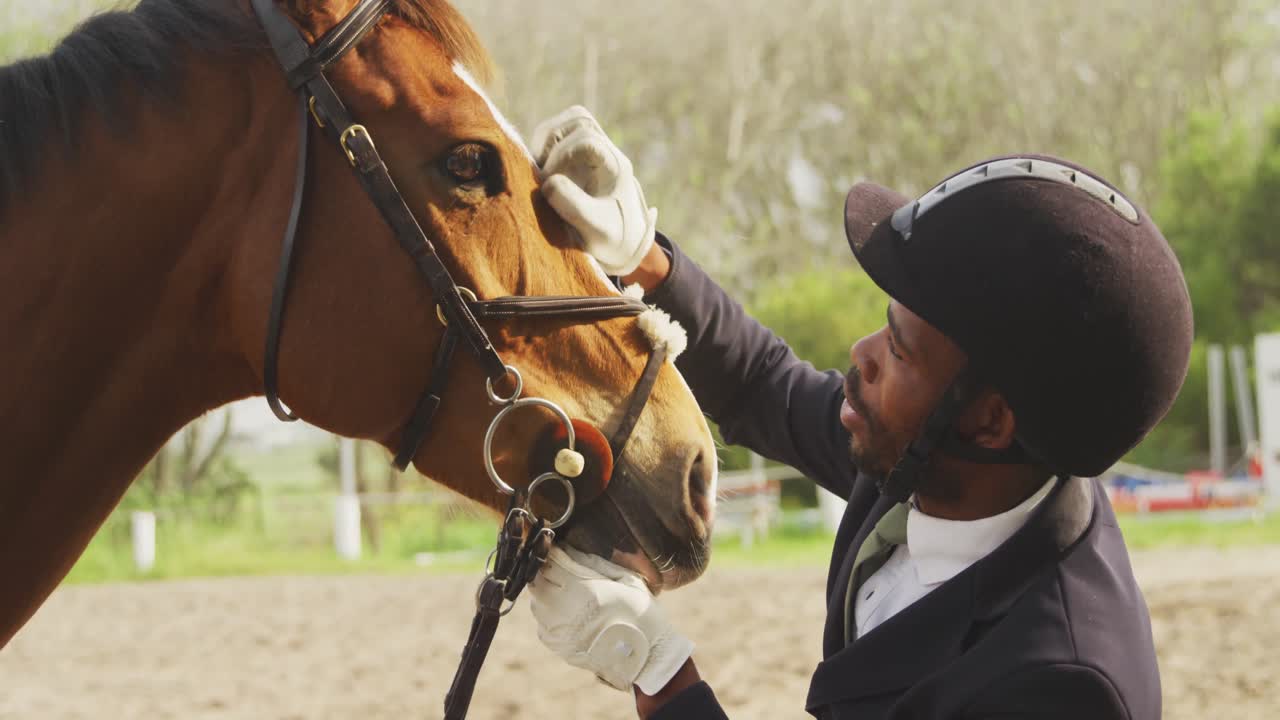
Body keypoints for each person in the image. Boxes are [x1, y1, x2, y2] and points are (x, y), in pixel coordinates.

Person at [525, 107, 1193, 719]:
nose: (861, 356)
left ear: (989, 421)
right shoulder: (941, 467)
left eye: (899, 352)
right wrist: (644, 259)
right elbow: (764, 385)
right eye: (885, 327)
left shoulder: (1055, 688)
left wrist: (658, 673)